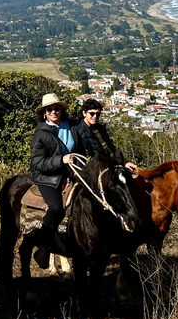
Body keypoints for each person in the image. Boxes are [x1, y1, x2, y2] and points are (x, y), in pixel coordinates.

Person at [31, 93, 81, 269]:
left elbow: (80, 148)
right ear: (44, 113)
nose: (54, 112)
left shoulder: (71, 126)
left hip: (70, 174)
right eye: (49, 109)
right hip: (47, 177)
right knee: (56, 207)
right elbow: (37, 162)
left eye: (56, 109)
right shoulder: (41, 133)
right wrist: (61, 161)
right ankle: (44, 246)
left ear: (61, 110)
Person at [77, 98, 137, 171]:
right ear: (84, 113)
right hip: (92, 169)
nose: (95, 116)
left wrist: (124, 162)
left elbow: (110, 148)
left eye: (98, 114)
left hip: (105, 165)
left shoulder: (100, 128)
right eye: (92, 114)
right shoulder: (78, 131)